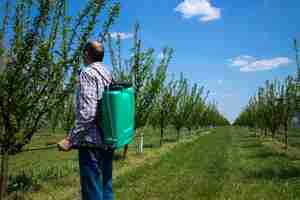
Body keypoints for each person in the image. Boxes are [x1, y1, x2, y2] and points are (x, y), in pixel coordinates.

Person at [57, 41, 114, 200]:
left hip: (91, 142)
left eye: (83, 53)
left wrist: (70, 139)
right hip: (108, 138)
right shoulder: (108, 74)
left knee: (92, 191)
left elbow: (87, 113)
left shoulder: (88, 73)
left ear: (87, 54)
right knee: (106, 186)